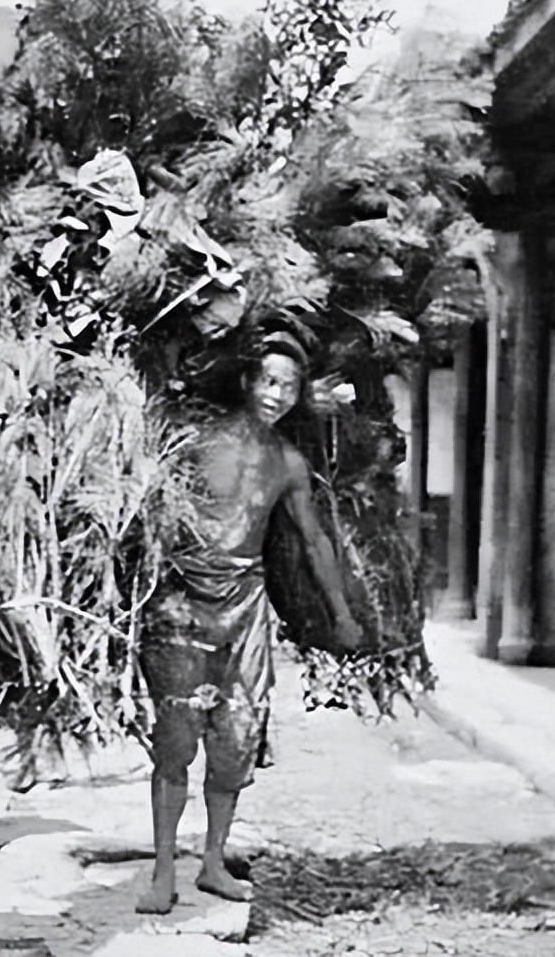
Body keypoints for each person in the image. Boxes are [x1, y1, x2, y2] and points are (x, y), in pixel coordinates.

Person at [135, 332, 362, 915]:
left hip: (247, 608)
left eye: (288, 386)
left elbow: (314, 540)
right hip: (181, 602)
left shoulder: (287, 461)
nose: (277, 394)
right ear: (246, 381)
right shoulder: (195, 440)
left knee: (236, 739)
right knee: (176, 740)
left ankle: (213, 861)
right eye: (268, 380)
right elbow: (148, 506)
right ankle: (163, 870)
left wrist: (341, 613)